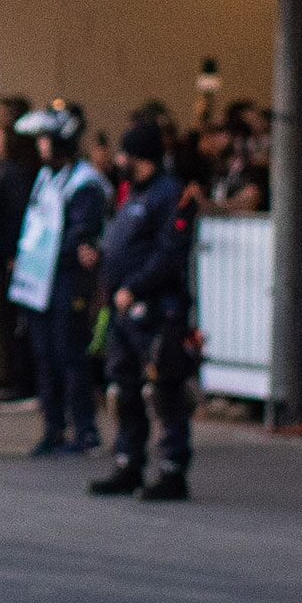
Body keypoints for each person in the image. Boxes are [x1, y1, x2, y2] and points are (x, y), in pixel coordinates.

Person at [90, 121, 196, 501]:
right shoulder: (131, 194)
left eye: (125, 155)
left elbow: (171, 252)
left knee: (164, 391)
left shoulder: (170, 194)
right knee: (123, 387)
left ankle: (172, 469)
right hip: (123, 310)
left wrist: (135, 287)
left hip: (156, 309)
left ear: (142, 157)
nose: (118, 160)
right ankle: (128, 463)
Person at [10, 101, 108, 456]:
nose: (40, 145)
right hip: (39, 285)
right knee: (45, 358)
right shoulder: (46, 177)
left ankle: (85, 430)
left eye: (46, 139)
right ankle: (54, 429)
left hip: (66, 283)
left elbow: (82, 234)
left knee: (70, 357)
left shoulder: (85, 183)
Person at [0, 95, 40, 400]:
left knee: (17, 323)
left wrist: (12, 254)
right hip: (5, 255)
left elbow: (14, 217)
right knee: (7, 322)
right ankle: (14, 376)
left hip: (13, 258)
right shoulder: (5, 169)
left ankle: (22, 380)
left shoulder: (19, 173)